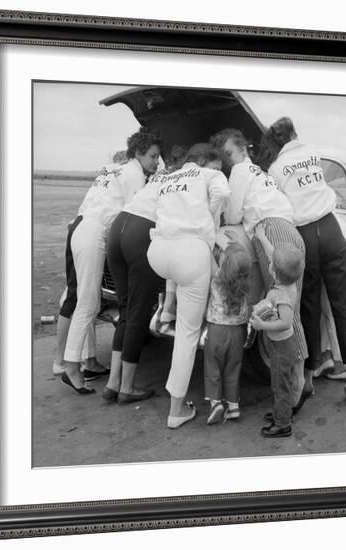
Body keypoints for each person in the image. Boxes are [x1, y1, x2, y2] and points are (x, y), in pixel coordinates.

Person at [266, 117, 346, 403]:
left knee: (308, 308)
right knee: (341, 306)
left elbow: (282, 204)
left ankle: (307, 380)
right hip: (331, 227)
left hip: (304, 233)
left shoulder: (274, 168)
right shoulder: (313, 153)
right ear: (295, 133)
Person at [61, 127, 163, 395]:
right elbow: (133, 212)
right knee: (88, 302)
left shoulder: (113, 167)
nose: (155, 162)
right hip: (95, 230)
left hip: (80, 225)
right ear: (139, 153)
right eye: (153, 156)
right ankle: (71, 367)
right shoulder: (133, 174)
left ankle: (85, 360)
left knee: (82, 298)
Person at [211, 128, 308, 406]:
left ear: (242, 148)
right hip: (289, 230)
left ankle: (297, 388)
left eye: (229, 153)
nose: (228, 159)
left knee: (288, 311)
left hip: (271, 231)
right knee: (291, 307)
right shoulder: (260, 172)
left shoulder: (240, 171)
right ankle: (298, 385)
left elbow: (232, 214)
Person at [147, 143, 230, 428]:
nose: (219, 172)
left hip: (158, 251)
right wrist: (211, 217)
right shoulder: (207, 175)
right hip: (191, 252)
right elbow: (222, 192)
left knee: (178, 274)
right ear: (204, 162)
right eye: (217, 166)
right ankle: (176, 410)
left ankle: (166, 308)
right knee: (187, 334)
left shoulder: (167, 177)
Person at [101, 169, 166, 405]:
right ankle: (127, 388)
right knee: (139, 313)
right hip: (141, 232)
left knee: (126, 310)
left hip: (118, 227)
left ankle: (113, 383)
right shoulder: (192, 179)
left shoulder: (158, 177)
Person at [249, 225, 305, 437]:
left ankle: (283, 424)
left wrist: (261, 326)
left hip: (282, 345)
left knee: (279, 385)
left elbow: (285, 322)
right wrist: (262, 237)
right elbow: (276, 257)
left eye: (271, 263)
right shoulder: (290, 281)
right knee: (283, 382)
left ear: (274, 272)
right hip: (281, 344)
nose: (269, 262)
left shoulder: (282, 295)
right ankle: (284, 412)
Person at [203, 240, 254, 424]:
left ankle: (216, 403)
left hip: (217, 331)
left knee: (213, 367)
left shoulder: (217, 279)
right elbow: (238, 262)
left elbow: (210, 257)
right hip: (238, 334)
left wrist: (209, 242)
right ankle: (233, 407)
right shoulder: (246, 285)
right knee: (233, 369)